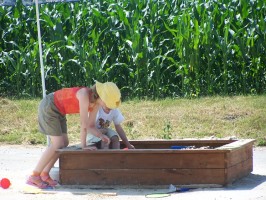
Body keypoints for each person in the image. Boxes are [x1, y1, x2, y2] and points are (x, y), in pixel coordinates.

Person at [26, 81, 121, 189]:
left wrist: (100, 136)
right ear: (101, 96)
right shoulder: (84, 94)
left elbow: (90, 126)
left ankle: (44, 174)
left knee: (64, 143)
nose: (109, 106)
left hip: (60, 111)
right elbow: (83, 124)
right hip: (50, 106)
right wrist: (84, 146)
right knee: (57, 143)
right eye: (109, 102)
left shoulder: (96, 104)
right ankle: (34, 175)